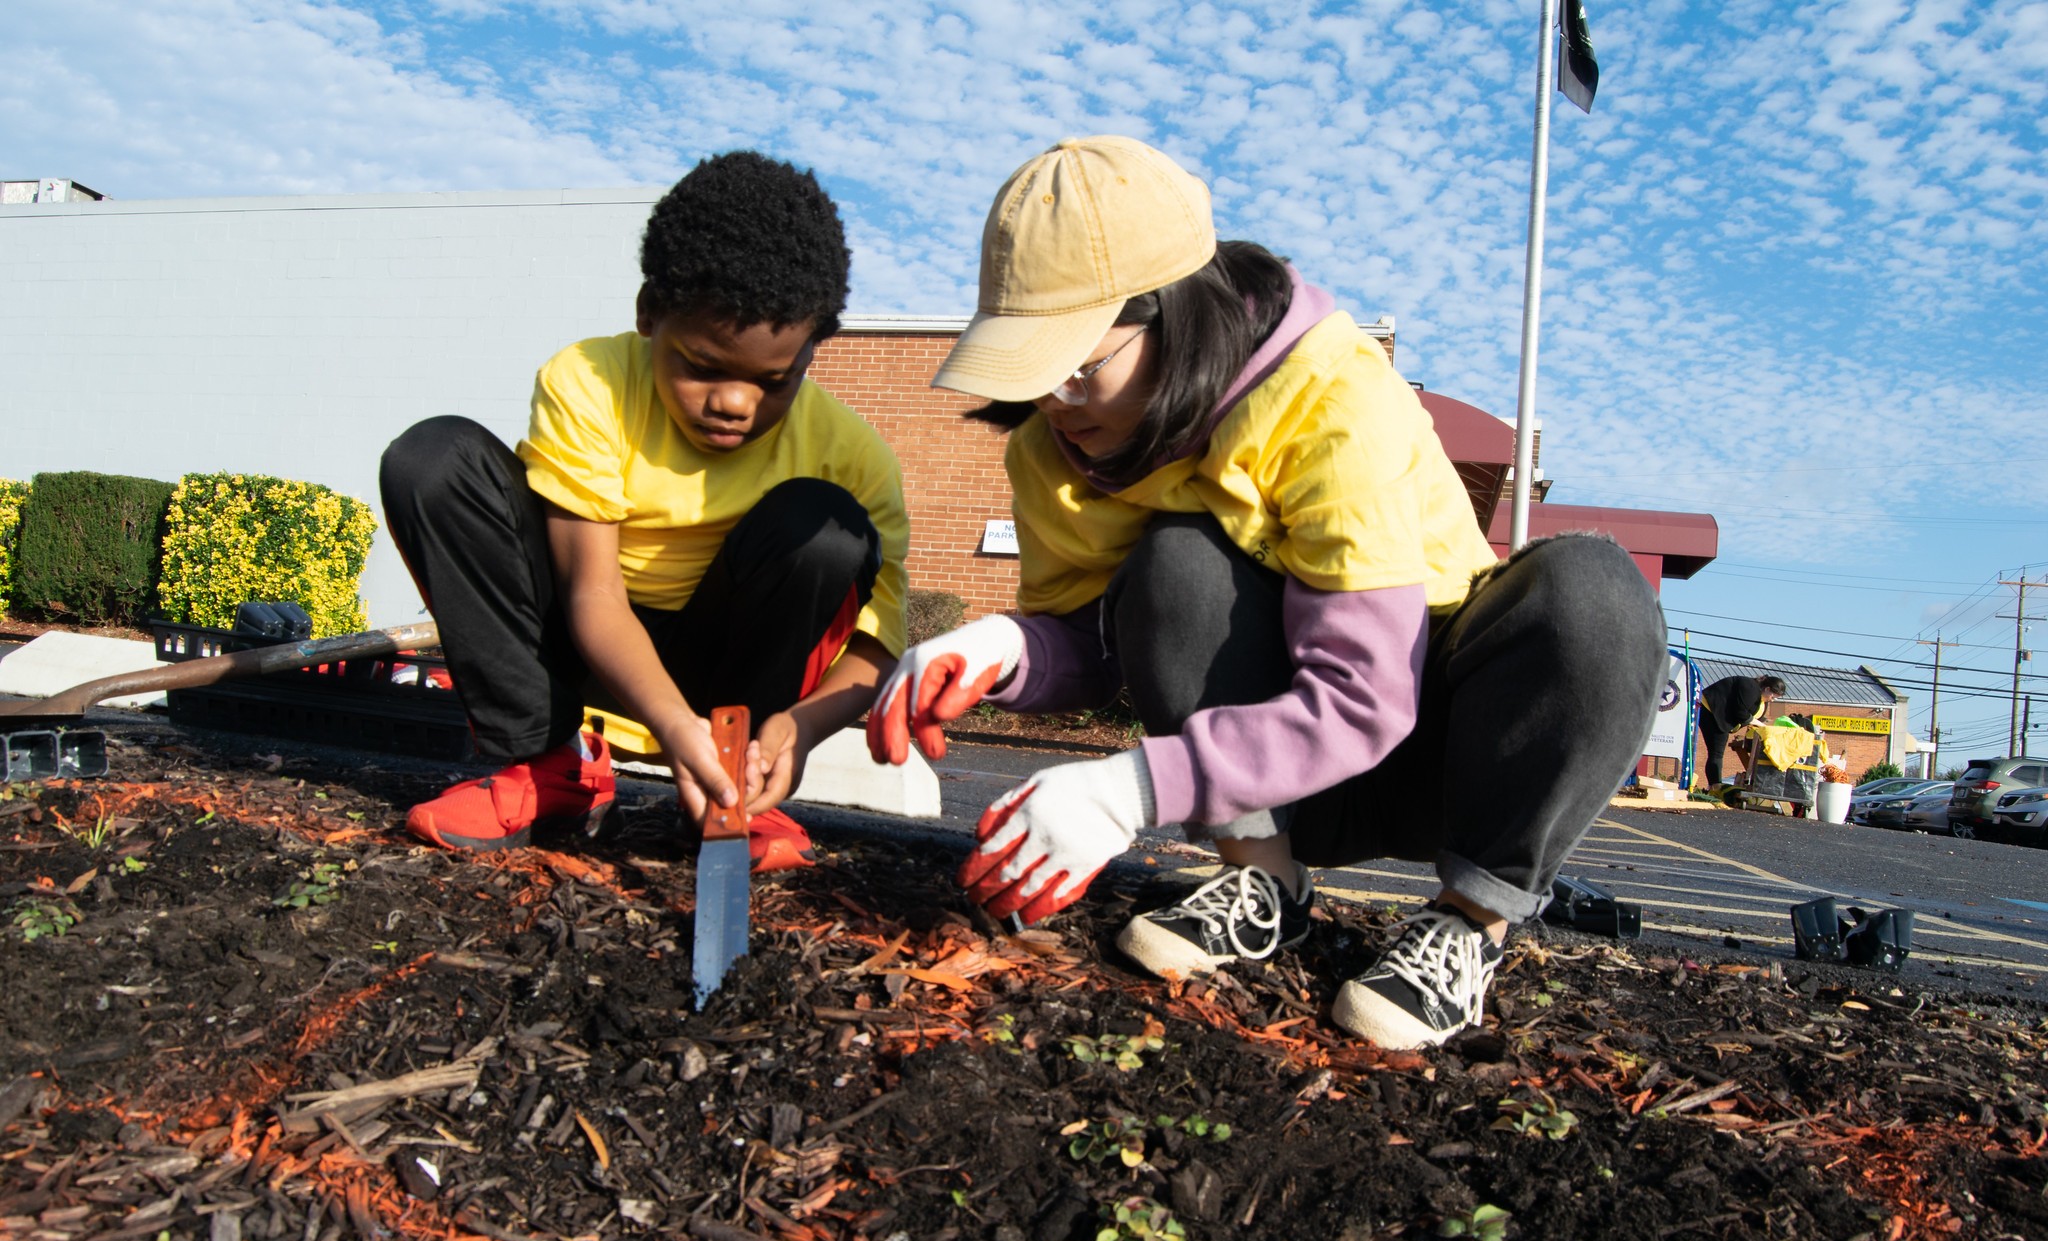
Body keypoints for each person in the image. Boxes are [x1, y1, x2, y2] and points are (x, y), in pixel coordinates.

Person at [867, 136, 1665, 1050]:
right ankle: (1264, 881)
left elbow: (1368, 698)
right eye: (1030, 368)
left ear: (1174, 312)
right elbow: (1096, 639)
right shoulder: (1051, 451)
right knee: (1177, 558)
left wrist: (1128, 792)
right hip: (1274, 778)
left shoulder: (1329, 394)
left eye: (1081, 363)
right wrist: (1000, 648)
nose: (1055, 398)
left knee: (1593, 591)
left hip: (1452, 753)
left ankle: (1468, 921)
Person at [381, 151, 910, 871]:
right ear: (648, 314)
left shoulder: (851, 455)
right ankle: (549, 765)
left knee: (823, 527)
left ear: (814, 349)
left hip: (721, 675)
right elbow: (592, 594)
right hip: (577, 639)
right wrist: (666, 721)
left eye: (773, 381)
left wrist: (800, 728)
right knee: (433, 462)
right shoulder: (590, 382)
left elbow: (876, 650)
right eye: (702, 365)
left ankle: (734, 788)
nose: (733, 402)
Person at [1696, 673, 1786, 789]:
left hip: (1722, 718)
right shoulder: (1750, 688)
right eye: (1773, 697)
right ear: (1767, 689)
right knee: (1716, 753)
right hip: (1710, 710)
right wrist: (1760, 724)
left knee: (1717, 753)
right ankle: (1714, 786)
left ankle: (1714, 785)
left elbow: (1755, 718)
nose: (1772, 700)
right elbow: (1741, 714)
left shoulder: (1763, 701)